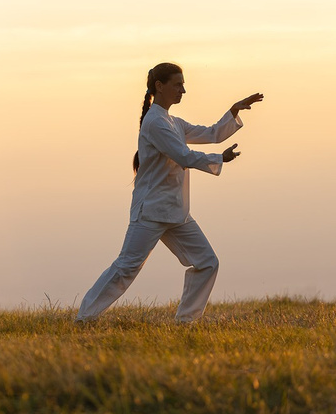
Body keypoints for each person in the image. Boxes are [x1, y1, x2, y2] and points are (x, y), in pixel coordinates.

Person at [75, 62, 264, 323]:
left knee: (207, 262)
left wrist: (233, 111)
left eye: (183, 85)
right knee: (126, 267)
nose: (183, 90)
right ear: (159, 86)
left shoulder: (173, 122)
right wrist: (219, 158)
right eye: (178, 84)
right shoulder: (155, 122)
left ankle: (186, 321)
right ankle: (84, 318)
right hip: (151, 211)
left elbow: (210, 133)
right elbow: (183, 156)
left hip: (176, 212)